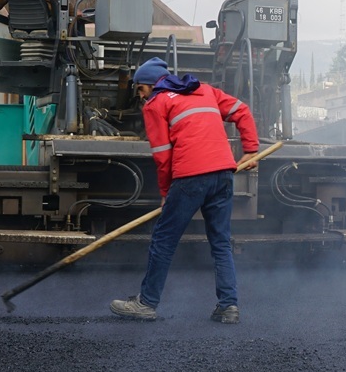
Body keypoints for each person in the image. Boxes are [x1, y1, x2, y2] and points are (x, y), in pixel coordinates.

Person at [110, 57, 259, 323]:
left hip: (190, 177)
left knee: (164, 240)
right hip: (223, 174)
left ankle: (146, 303)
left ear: (149, 84)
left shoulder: (156, 103)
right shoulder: (204, 89)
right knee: (221, 243)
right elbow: (242, 111)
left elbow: (162, 154)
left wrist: (166, 192)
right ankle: (229, 306)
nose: (140, 96)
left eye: (140, 89)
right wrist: (251, 150)